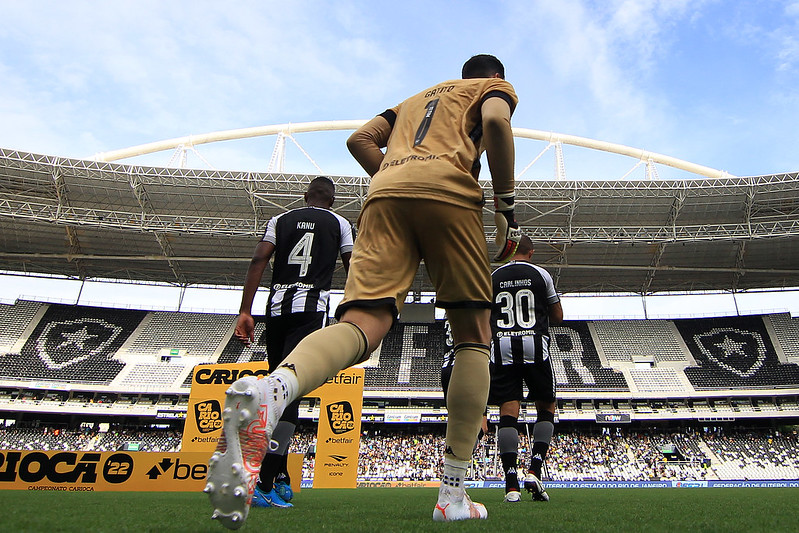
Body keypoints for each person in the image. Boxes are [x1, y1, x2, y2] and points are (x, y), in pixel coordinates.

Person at [205, 53, 520, 529]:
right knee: (473, 337)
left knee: (361, 325)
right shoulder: (491, 87)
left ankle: (273, 389)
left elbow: (359, 140)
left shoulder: (412, 100)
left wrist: (395, 172)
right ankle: (452, 494)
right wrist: (505, 205)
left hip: (384, 194)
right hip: (451, 194)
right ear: (495, 75)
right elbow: (495, 120)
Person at [230, 175, 353, 509]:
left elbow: (258, 260)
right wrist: (352, 308)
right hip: (310, 310)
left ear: (305, 196)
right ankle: (264, 481)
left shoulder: (279, 219)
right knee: (290, 391)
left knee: (280, 387)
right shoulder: (340, 223)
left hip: (276, 310)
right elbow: (352, 266)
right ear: (332, 200)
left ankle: (281, 473)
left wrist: (245, 311)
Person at [487, 235, 563, 503]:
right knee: (547, 406)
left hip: (502, 348)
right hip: (535, 347)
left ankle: (511, 485)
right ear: (531, 252)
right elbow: (557, 316)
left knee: (508, 412)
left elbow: (485, 316)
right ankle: (534, 470)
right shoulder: (541, 274)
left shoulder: (494, 276)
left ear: (509, 251)